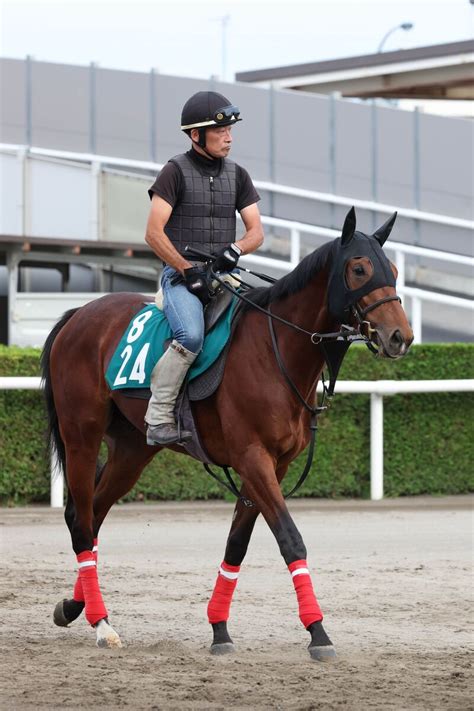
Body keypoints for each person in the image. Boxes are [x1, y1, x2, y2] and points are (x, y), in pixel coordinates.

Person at [144, 91, 264, 446]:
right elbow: (153, 233)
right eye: (220, 130)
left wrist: (235, 249)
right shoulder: (173, 172)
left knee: (258, 324)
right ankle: (159, 415)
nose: (229, 137)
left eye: (230, 130)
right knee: (191, 336)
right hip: (180, 280)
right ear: (196, 135)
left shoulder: (239, 175)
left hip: (224, 277)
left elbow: (256, 232)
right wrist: (185, 269)